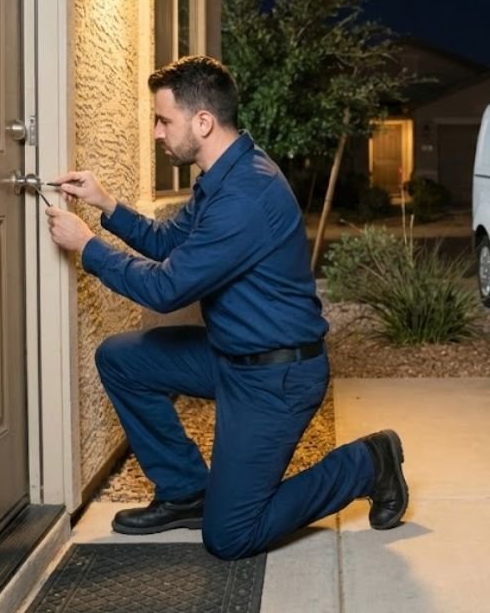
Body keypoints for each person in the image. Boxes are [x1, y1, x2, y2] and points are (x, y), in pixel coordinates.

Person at [45, 55, 408, 560]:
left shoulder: (246, 195)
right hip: (231, 356)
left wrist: (88, 248)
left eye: (163, 120)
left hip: (277, 377)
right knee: (122, 358)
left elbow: (167, 289)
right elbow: (168, 240)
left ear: (203, 122)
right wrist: (107, 207)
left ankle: (368, 463)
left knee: (231, 536)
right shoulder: (220, 176)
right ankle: (185, 491)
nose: (156, 132)